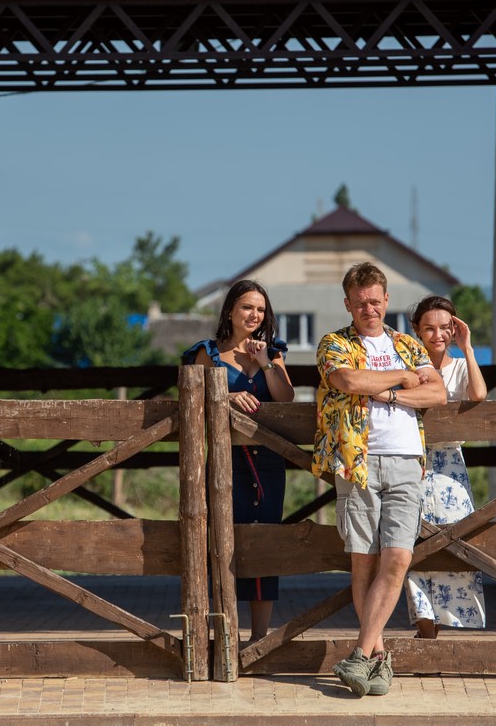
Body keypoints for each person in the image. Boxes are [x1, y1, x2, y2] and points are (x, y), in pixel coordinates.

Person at [313, 262, 447, 697]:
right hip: (359, 461)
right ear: (348, 304)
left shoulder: (407, 343)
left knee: (398, 558)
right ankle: (375, 658)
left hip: (408, 460)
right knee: (363, 561)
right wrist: (406, 377)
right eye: (360, 302)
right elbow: (347, 379)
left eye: (375, 300)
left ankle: (358, 656)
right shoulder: (335, 343)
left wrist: (387, 392)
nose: (369, 308)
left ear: (386, 301)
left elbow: (438, 393)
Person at [183, 279, 294, 641]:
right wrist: (225, 397)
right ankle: (223, 634)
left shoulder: (273, 352)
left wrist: (264, 362)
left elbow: (285, 397)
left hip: (269, 462)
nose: (254, 315)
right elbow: (190, 401)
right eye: (247, 307)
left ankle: (259, 637)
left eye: (261, 309)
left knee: (265, 544)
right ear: (230, 310)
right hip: (226, 461)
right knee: (224, 542)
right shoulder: (207, 353)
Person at [405, 295, 488, 640]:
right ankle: (427, 630)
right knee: (413, 545)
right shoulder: (406, 369)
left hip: (451, 467)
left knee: (456, 542)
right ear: (417, 331)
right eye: (429, 328)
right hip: (413, 461)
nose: (437, 335)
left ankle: (448, 625)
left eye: (444, 327)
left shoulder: (458, 367)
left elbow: (479, 395)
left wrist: (468, 348)